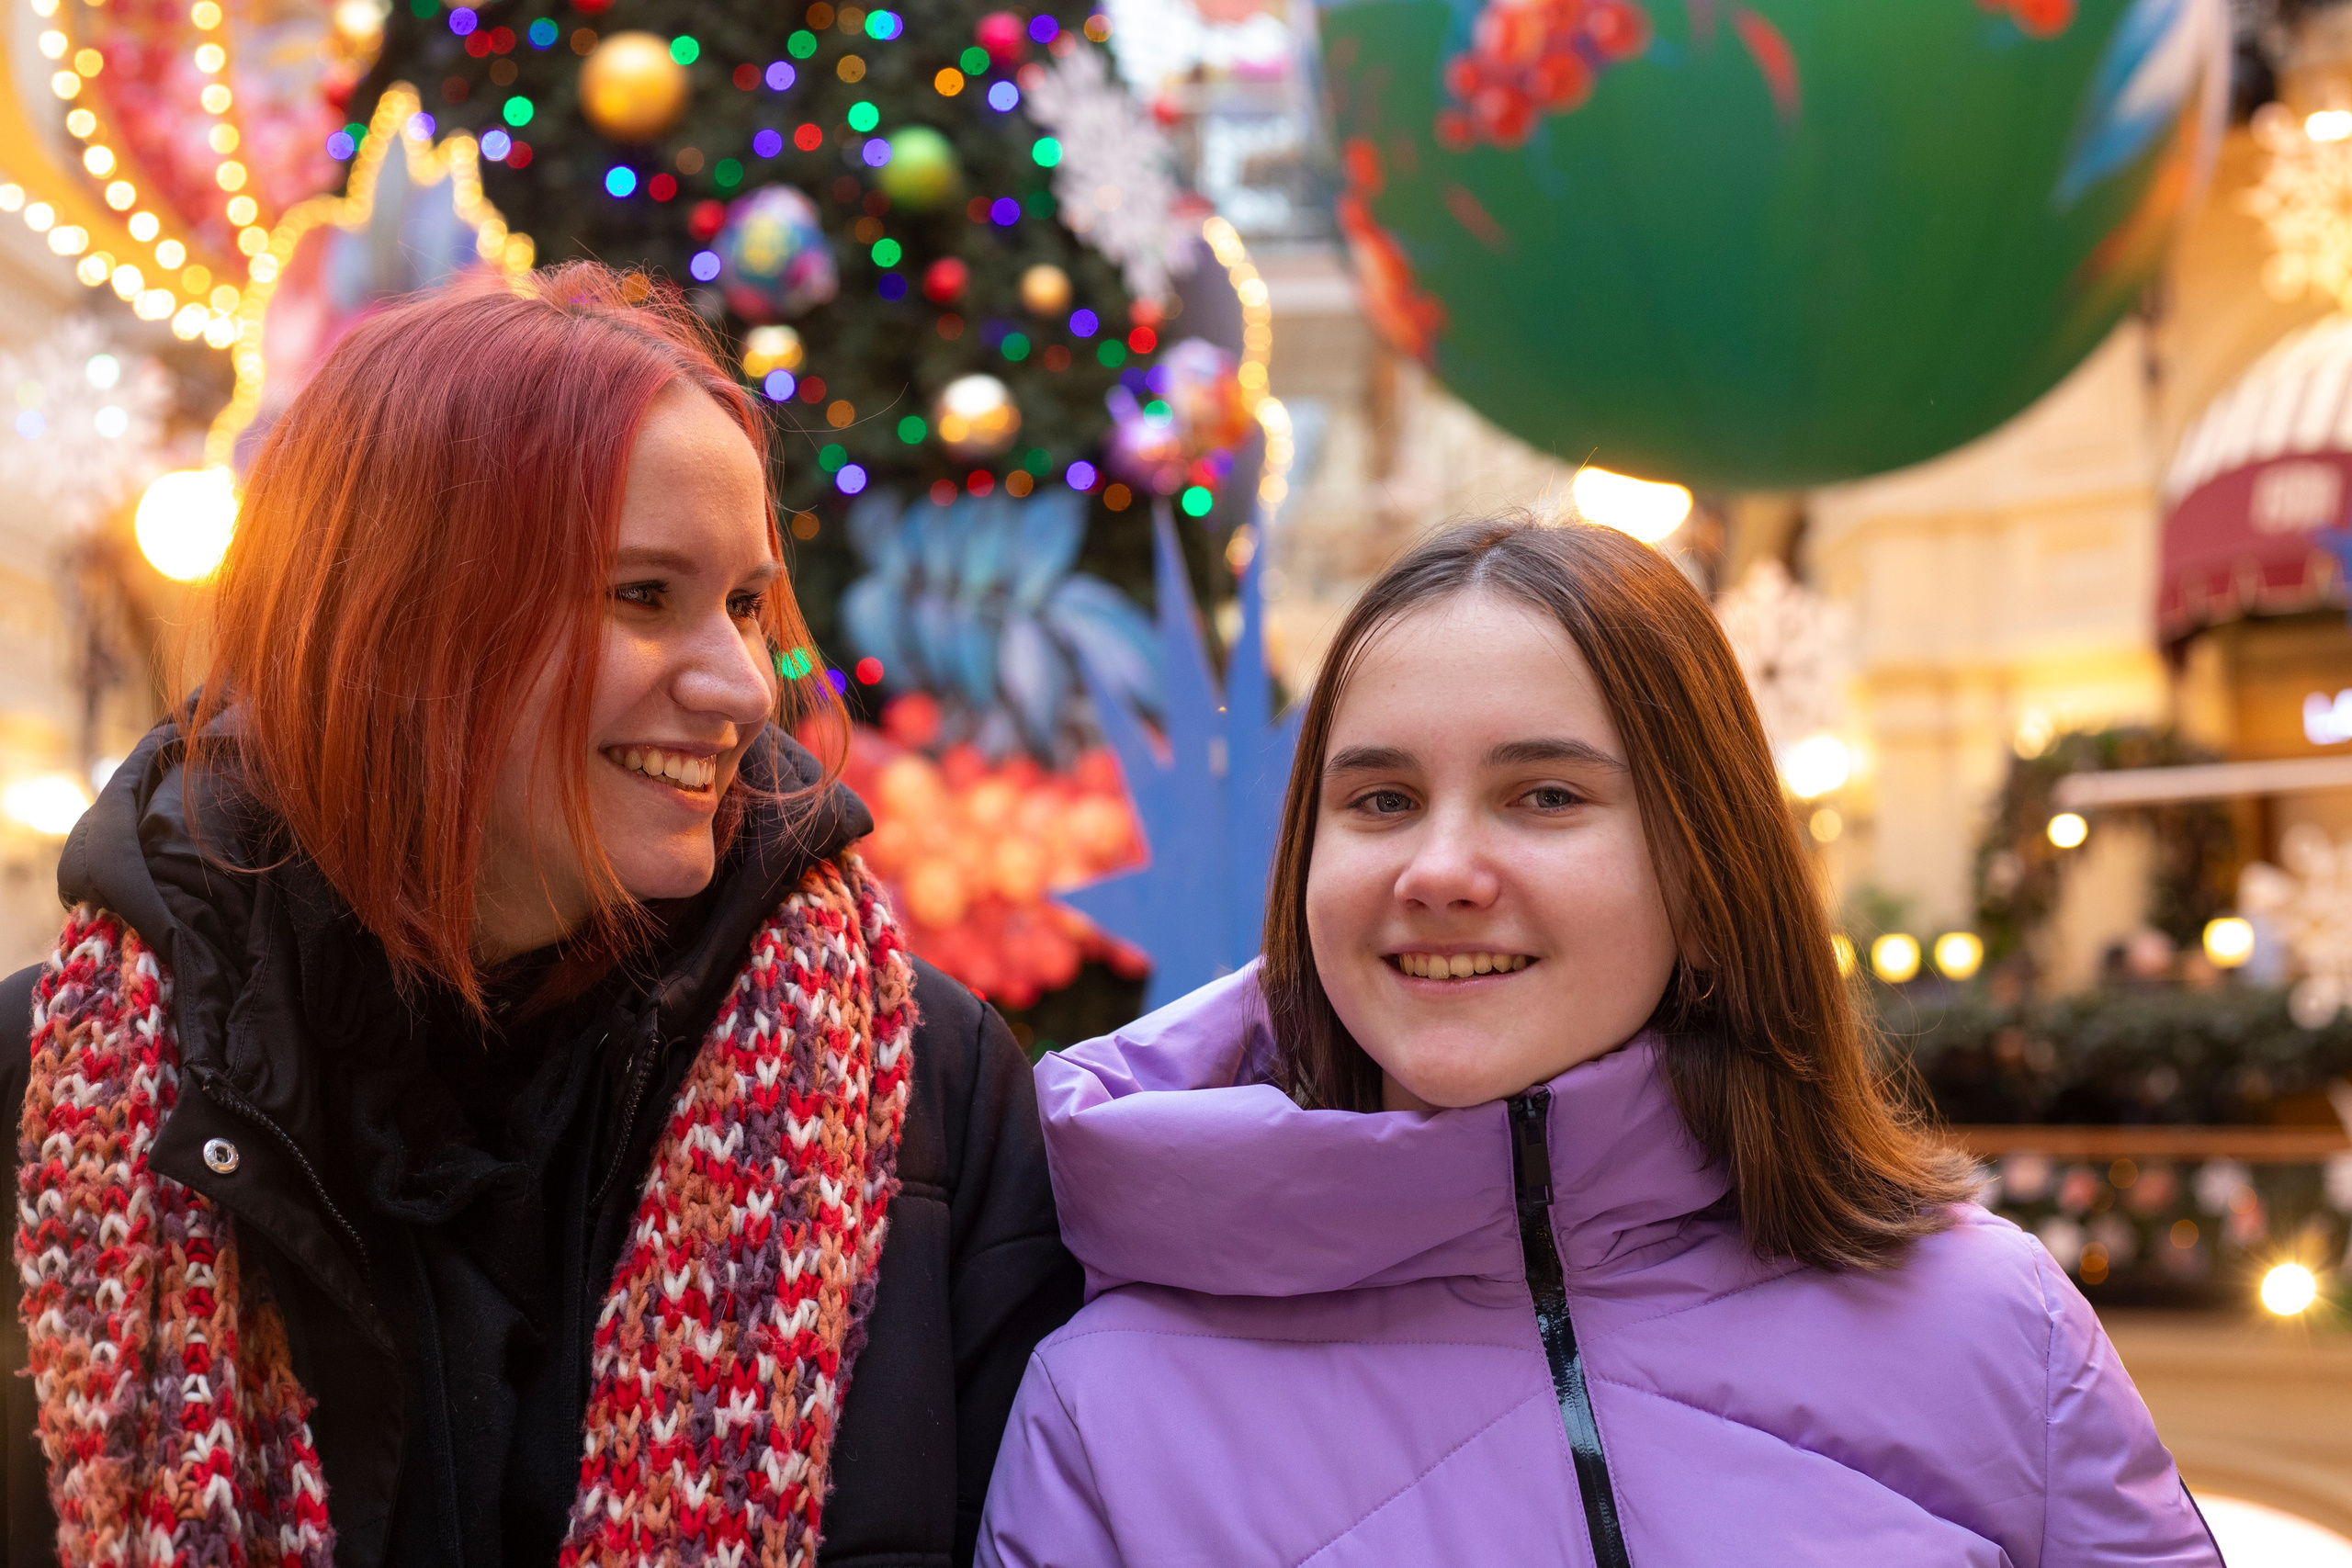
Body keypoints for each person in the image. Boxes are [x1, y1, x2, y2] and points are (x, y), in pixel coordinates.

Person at [1, 264, 1080, 1568]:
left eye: (743, 602)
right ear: (398, 624)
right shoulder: (48, 1083)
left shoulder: (926, 1091)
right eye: (642, 597)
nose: (742, 686)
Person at [978, 518, 2221, 1567]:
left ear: (1703, 861)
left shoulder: (1998, 1333)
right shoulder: (1109, 1405)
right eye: (1381, 801)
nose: (1442, 868)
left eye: (1547, 796)